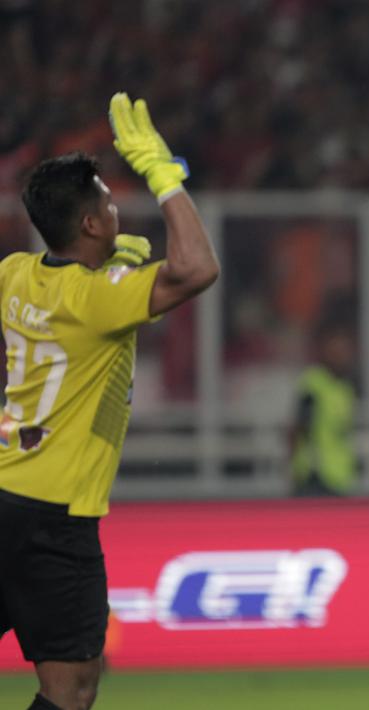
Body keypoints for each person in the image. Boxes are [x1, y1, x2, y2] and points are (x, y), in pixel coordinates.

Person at [0, 93, 219, 710]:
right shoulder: (98, 302)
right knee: (71, 690)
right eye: (108, 200)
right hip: (54, 516)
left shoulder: (14, 273)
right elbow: (197, 268)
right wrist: (164, 174)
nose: (116, 206)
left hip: (4, 489)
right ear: (93, 225)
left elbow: (69, 296)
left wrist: (102, 272)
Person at [288, 316, 357, 497]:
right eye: (336, 348)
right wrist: (294, 470)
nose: (341, 354)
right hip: (315, 476)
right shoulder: (314, 384)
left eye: (344, 349)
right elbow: (298, 428)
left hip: (340, 476)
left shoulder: (344, 388)